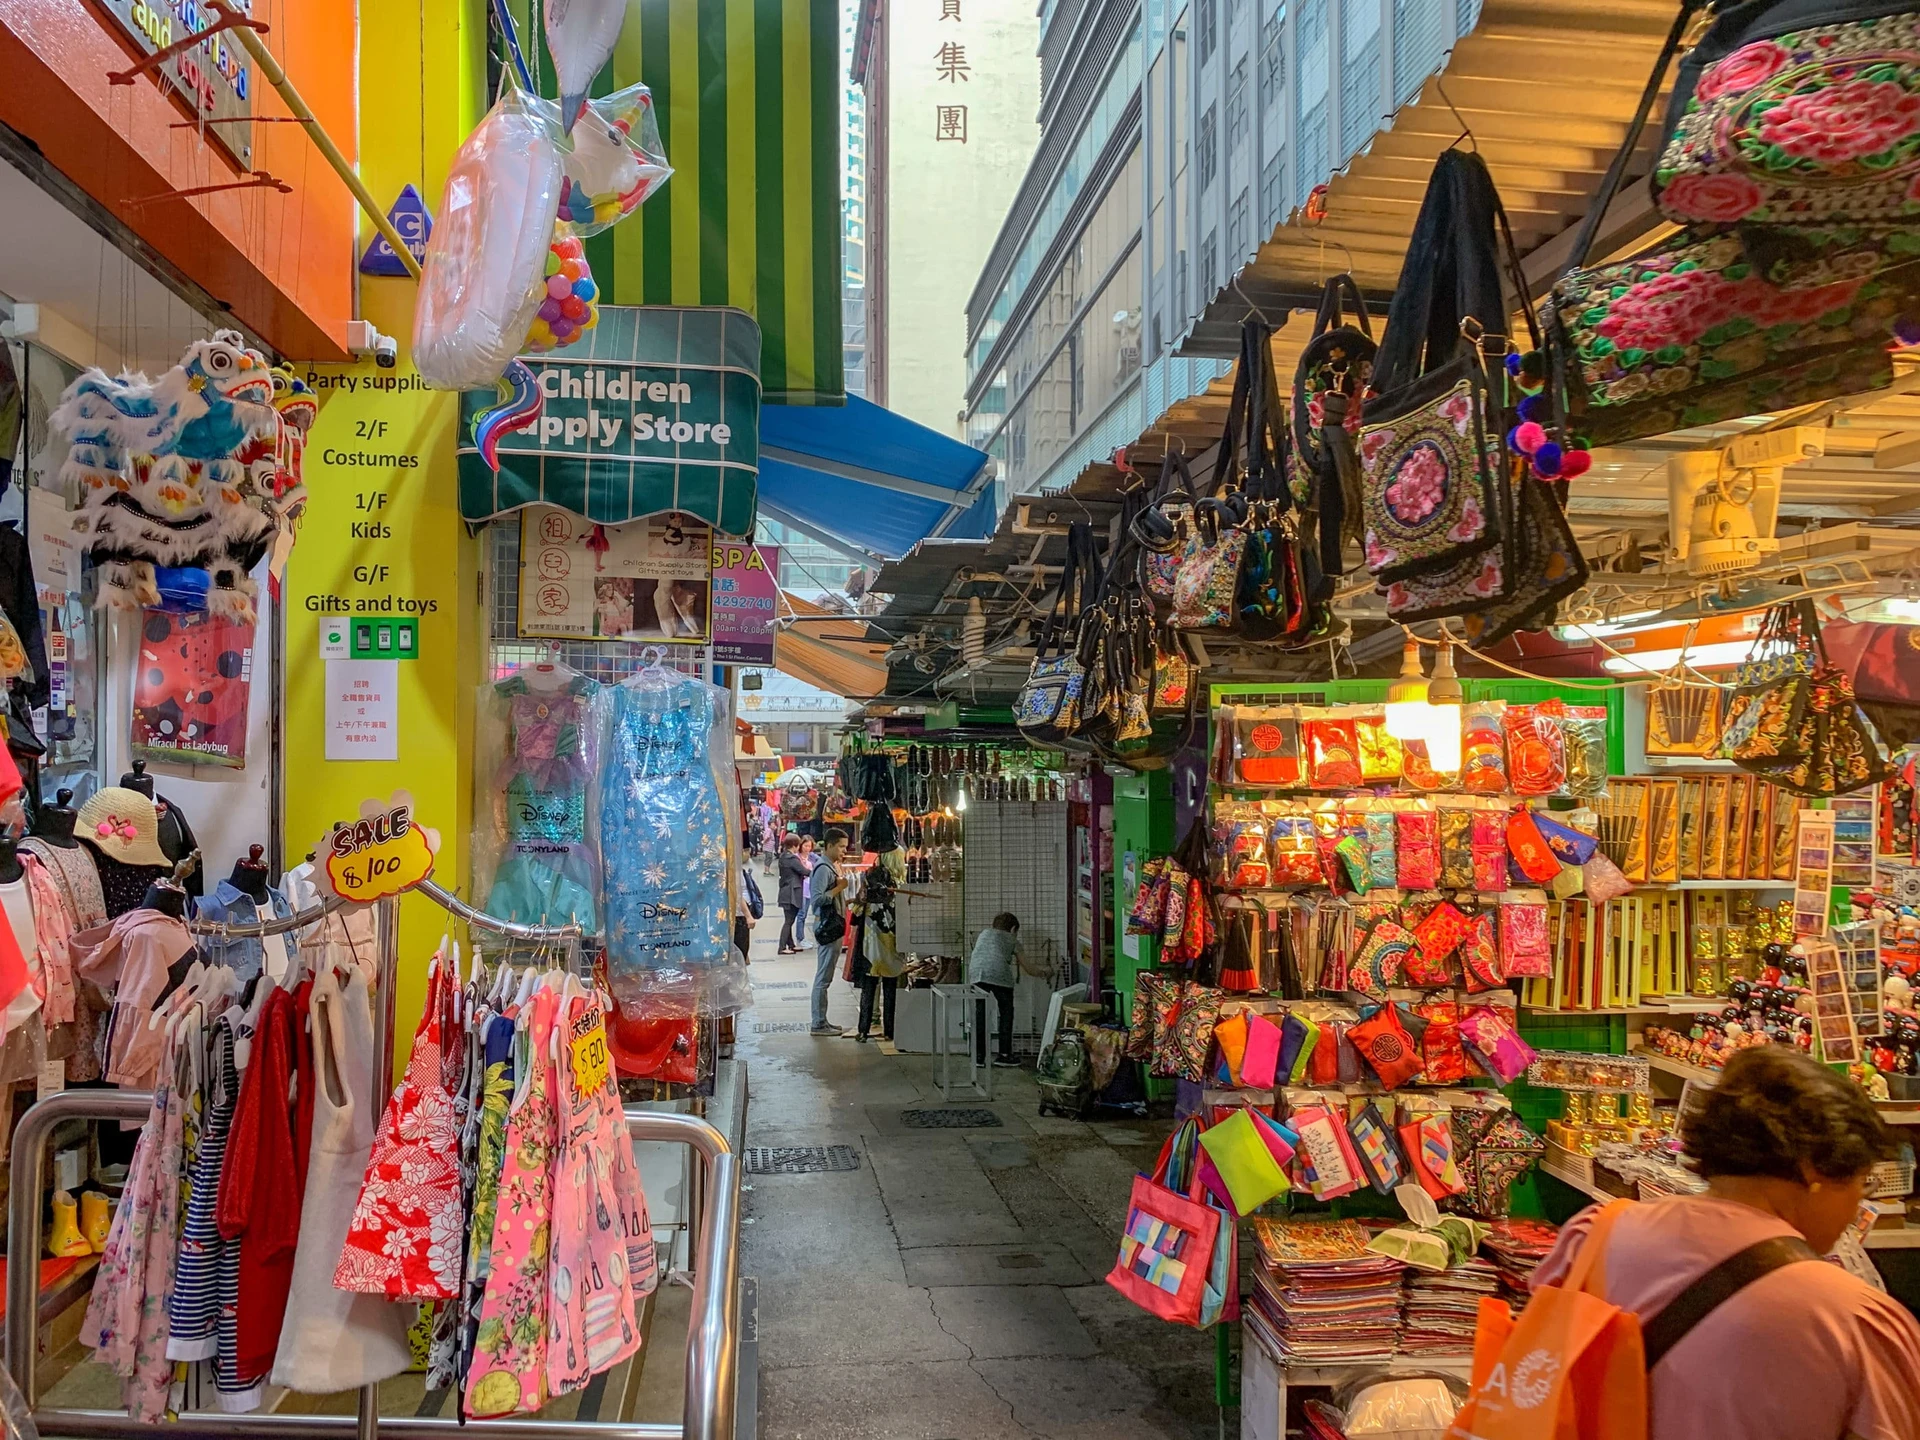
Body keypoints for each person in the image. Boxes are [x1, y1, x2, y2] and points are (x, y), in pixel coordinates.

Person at [1530, 1046, 1920, 1440]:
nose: (1858, 1204)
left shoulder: (1596, 1236)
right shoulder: (1856, 1322)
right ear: (1813, 1170)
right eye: (1862, 1182)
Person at [806, 829, 849, 1037]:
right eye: (841, 846)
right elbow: (817, 900)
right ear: (830, 845)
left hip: (832, 927)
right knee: (823, 978)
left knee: (825, 977)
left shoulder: (829, 867)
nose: (844, 850)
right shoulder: (823, 869)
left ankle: (822, 1021)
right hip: (827, 928)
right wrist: (839, 888)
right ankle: (818, 1023)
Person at [965, 912, 1020, 1066]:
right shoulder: (1012, 940)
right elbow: (1029, 968)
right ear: (1013, 929)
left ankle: (978, 1057)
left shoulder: (983, 934)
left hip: (977, 973)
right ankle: (1004, 1054)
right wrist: (1045, 972)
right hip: (999, 974)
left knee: (979, 1015)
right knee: (1006, 1012)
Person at [775, 835, 807, 954]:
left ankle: (791, 944)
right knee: (789, 921)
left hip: (784, 891)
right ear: (794, 845)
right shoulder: (792, 859)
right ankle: (782, 947)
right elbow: (804, 871)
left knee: (788, 919)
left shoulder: (783, 857)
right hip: (792, 893)